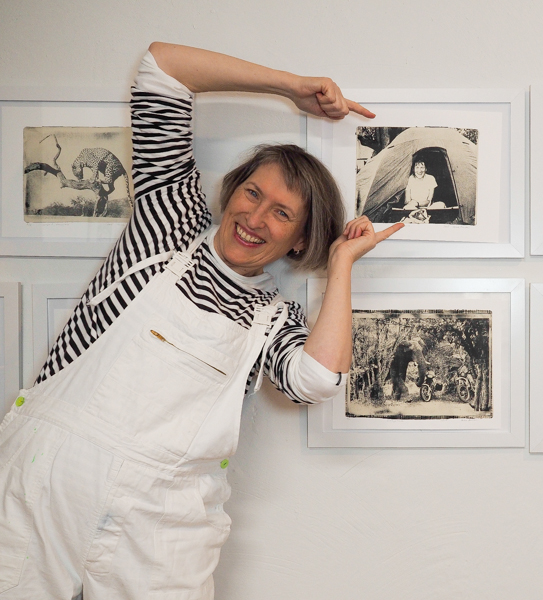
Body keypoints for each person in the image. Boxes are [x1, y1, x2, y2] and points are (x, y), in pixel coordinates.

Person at [0, 42, 402, 599]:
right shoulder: (166, 223)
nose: (254, 217)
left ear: (300, 240)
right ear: (231, 189)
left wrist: (340, 266)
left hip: (164, 523)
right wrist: (289, 86)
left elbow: (316, 380)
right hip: (47, 481)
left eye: (281, 213)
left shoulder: (271, 317)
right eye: (252, 193)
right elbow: (162, 67)